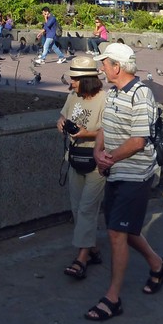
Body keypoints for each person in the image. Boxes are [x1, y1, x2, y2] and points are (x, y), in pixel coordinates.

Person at [87, 42, 163, 321]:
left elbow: (138, 141)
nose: (102, 68)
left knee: (116, 233)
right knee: (124, 228)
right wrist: (98, 151)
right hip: (115, 171)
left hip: (134, 175)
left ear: (118, 67)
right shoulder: (113, 94)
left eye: (105, 63)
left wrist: (107, 157)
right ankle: (158, 265)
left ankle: (113, 298)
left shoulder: (141, 94)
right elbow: (104, 128)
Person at [58, 56, 109, 281]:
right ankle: (92, 250)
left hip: (96, 161)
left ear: (87, 80)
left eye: (75, 79)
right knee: (76, 207)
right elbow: (62, 116)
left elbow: (111, 132)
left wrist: (86, 133)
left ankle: (81, 258)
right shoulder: (72, 96)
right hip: (74, 158)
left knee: (87, 208)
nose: (72, 83)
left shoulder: (104, 100)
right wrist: (60, 123)